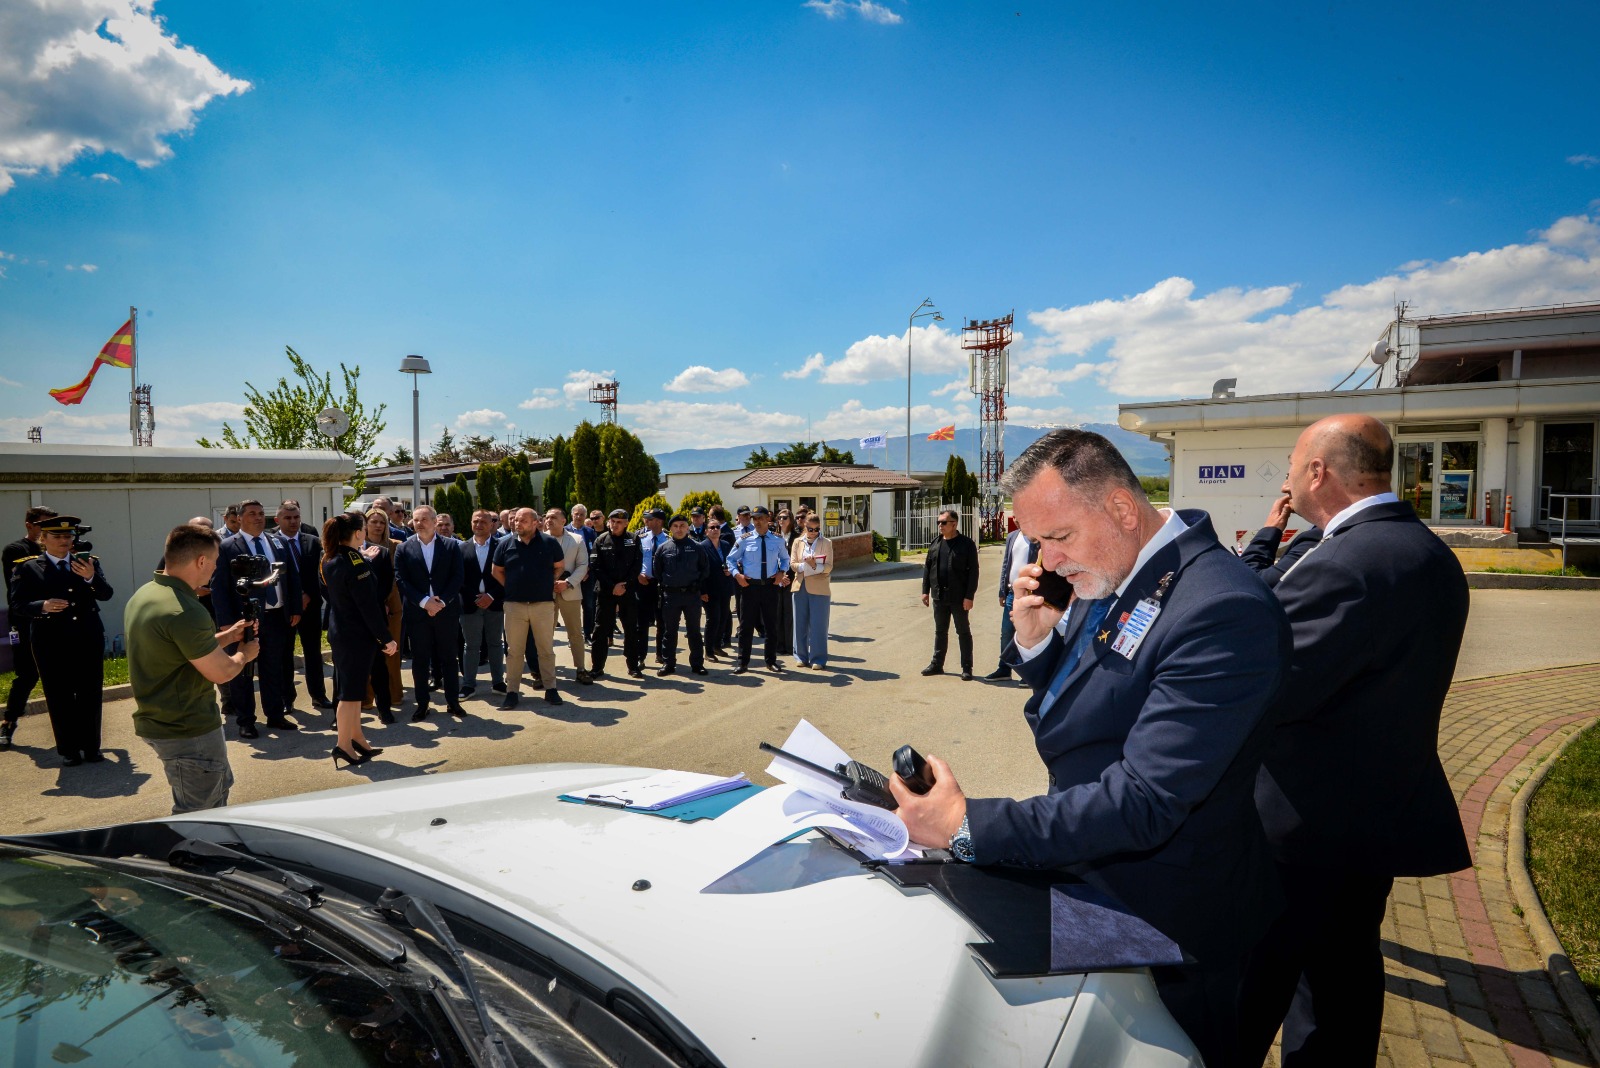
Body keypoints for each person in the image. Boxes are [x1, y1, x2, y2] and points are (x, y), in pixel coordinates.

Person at [891, 428, 1292, 1067]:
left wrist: (967, 824)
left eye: (1058, 537)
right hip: (1099, 883)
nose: (1047, 562)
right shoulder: (1114, 570)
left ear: (1123, 509)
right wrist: (1037, 645)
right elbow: (1094, 707)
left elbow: (1145, 798)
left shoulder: (1223, 610)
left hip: (1175, 924)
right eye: (1036, 541)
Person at [1237, 415, 1471, 1066]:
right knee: (1339, 992)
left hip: (1299, 835)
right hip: (1371, 823)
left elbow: (1270, 689)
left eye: (1292, 463)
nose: (1286, 477)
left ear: (1318, 472)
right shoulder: (1429, 553)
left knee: (1246, 997)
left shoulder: (1345, 563)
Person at [125, 523, 258, 811]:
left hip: (163, 720)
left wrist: (228, 636)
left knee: (212, 796)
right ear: (200, 561)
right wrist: (245, 653)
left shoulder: (148, 594)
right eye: (215, 561)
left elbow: (182, 650)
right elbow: (222, 672)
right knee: (199, 813)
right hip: (188, 728)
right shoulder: (185, 610)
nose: (215, 568)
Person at [9, 515, 114, 765]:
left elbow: (106, 594)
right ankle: (69, 750)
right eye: (57, 536)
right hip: (50, 639)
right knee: (59, 694)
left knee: (89, 692)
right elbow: (18, 604)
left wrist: (91, 577)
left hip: (86, 636)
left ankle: (91, 747)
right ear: (43, 539)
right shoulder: (28, 567)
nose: (64, 541)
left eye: (68, 536)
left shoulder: (87, 562)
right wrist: (42, 605)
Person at [212, 499, 303, 739]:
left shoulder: (277, 541)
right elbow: (219, 587)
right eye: (252, 513)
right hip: (244, 620)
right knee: (243, 671)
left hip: (276, 616)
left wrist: (294, 607)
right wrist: (226, 623)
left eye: (261, 513)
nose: (258, 517)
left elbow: (292, 577)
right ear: (239, 518)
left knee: (273, 668)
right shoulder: (227, 546)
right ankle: (246, 721)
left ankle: (275, 715)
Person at [320, 514, 397, 768]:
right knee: (349, 694)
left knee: (353, 692)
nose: (366, 532)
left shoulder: (332, 557)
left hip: (343, 631)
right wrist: (385, 638)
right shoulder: (355, 563)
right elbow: (368, 606)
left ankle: (356, 737)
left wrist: (363, 559)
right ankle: (343, 745)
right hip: (356, 635)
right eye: (363, 528)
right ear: (357, 533)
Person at [393, 506, 467, 721]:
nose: (419, 523)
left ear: (435, 522)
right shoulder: (404, 548)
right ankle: (423, 704)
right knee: (420, 660)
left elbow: (457, 576)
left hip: (446, 611)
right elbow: (401, 579)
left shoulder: (451, 546)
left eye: (424, 519)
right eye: (416, 520)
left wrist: (441, 602)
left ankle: (453, 702)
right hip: (417, 613)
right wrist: (425, 602)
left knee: (449, 658)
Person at [494, 507, 566, 708]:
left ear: (535, 523)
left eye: (523, 520)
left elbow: (560, 565)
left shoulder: (549, 543)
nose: (517, 524)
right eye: (516, 520)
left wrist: (547, 582)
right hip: (514, 606)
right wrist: (511, 587)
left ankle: (551, 689)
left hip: (542, 605)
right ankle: (512, 691)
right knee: (514, 651)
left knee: (545, 649)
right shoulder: (505, 544)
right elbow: (496, 570)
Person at [2, 506, 57, 748]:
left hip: (54, 619)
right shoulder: (16, 550)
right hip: (25, 621)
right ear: (29, 525)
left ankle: (70, 730)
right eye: (45, 525)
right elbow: (23, 588)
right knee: (27, 674)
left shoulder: (61, 550)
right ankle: (8, 722)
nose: (50, 531)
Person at [275, 499, 332, 711]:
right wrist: (295, 597)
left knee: (313, 652)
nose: (293, 521)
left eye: (296, 517)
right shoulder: (271, 542)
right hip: (284, 608)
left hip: (311, 605)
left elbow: (320, 572)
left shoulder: (313, 541)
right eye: (288, 518)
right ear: (277, 520)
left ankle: (318, 695)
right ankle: (286, 699)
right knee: (285, 654)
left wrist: (308, 595)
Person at [726, 506, 791, 674]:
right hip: (750, 587)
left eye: (761, 518)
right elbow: (730, 559)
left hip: (770, 587)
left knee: (771, 626)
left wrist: (782, 572)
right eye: (755, 519)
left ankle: (771, 661)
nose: (757, 522)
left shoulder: (777, 540)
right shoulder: (745, 540)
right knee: (746, 626)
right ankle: (742, 662)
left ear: (768, 519)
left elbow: (786, 559)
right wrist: (737, 575)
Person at [648, 514, 711, 676]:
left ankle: (697, 664)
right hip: (671, 596)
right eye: (675, 526)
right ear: (670, 528)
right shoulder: (663, 548)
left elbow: (705, 569)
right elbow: (658, 571)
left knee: (694, 631)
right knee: (669, 631)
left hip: (692, 595)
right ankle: (668, 664)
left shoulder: (697, 547)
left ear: (688, 527)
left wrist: (696, 585)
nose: (679, 529)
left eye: (682, 525)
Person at [920, 508, 979, 680]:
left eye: (944, 522)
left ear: (954, 524)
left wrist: (969, 596)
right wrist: (925, 591)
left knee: (963, 632)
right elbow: (928, 568)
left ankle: (967, 667)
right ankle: (937, 664)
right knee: (940, 631)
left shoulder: (966, 544)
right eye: (939, 522)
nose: (940, 525)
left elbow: (974, 572)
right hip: (939, 596)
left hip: (959, 597)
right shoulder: (936, 543)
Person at [588, 509, 643, 678]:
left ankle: (633, 666)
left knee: (631, 629)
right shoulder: (601, 540)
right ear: (608, 522)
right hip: (606, 591)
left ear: (626, 523)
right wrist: (613, 586)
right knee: (600, 629)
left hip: (627, 590)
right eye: (612, 521)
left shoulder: (633, 539)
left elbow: (637, 565)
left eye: (619, 522)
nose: (615, 525)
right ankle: (597, 667)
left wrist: (623, 585)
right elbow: (595, 566)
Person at [362, 508, 404, 722]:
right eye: (374, 521)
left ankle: (395, 695)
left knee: (392, 651)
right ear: (366, 524)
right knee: (369, 654)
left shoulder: (395, 545)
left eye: (382, 522)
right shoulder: (359, 546)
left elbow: (393, 577)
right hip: (369, 604)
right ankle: (367, 698)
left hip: (393, 601)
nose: (378, 525)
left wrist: (386, 602)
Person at [459, 509, 506, 697]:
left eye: (483, 522)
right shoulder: (461, 548)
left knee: (495, 643)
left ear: (492, 524)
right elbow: (458, 578)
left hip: (495, 603)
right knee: (471, 645)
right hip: (470, 605)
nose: (478, 525)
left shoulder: (501, 546)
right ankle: (468, 684)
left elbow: (506, 576)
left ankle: (498, 682)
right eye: (475, 521)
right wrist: (475, 597)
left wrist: (491, 596)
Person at [545, 508, 593, 684]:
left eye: (553, 517)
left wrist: (568, 582)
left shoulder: (577, 540)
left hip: (570, 592)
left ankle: (580, 669)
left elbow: (582, 565)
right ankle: (545, 672)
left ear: (563, 521)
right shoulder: (538, 539)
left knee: (575, 634)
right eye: (547, 517)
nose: (549, 520)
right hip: (545, 594)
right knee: (544, 635)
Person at [984, 527, 1038, 680]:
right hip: (1011, 593)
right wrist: (1002, 590)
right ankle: (1004, 669)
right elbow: (1006, 564)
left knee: (1027, 633)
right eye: (1014, 516)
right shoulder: (1012, 536)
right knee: (1007, 632)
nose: (1016, 519)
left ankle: (1027, 673)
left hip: (1029, 593)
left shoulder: (1036, 536)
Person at [1239, 493, 1322, 589]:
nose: (1284, 488)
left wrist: (1270, 530)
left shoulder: (1317, 537)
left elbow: (1249, 581)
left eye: (1289, 479)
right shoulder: (1321, 534)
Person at [790, 513, 834, 670]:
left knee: (818, 625)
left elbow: (829, 566)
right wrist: (806, 565)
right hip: (800, 586)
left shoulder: (826, 543)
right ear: (805, 526)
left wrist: (814, 566)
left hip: (820, 588)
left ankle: (818, 659)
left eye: (817, 529)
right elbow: (793, 564)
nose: (813, 532)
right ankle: (800, 656)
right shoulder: (797, 542)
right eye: (810, 529)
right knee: (799, 624)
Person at [634, 508, 669, 663]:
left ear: (659, 521)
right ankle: (640, 656)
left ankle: (661, 654)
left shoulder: (669, 540)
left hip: (661, 585)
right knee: (641, 622)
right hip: (643, 583)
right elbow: (634, 560)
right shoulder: (640, 538)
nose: (646, 521)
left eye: (650, 519)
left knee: (662, 622)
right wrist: (638, 574)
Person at [700, 518, 735, 660]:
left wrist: (730, 570)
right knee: (713, 619)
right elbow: (699, 570)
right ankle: (708, 651)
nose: (715, 530)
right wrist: (702, 591)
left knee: (723, 618)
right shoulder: (702, 547)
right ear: (706, 531)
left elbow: (733, 562)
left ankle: (717, 646)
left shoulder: (726, 545)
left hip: (724, 587)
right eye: (712, 527)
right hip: (709, 589)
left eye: (717, 527)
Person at [773, 510, 798, 656]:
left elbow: (797, 559)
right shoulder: (773, 536)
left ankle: (790, 646)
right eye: (779, 518)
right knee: (777, 613)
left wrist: (788, 576)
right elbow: (771, 558)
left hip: (791, 579)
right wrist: (779, 576)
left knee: (789, 613)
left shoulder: (797, 537)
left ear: (791, 520)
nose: (781, 520)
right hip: (775, 579)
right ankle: (779, 645)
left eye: (784, 517)